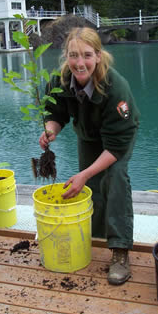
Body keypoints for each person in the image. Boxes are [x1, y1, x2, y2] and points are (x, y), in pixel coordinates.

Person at [39, 27, 140, 285]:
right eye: (73, 55)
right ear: (65, 56)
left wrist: (84, 174)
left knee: (114, 178)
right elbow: (56, 113)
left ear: (98, 55)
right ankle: (93, 237)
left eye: (86, 55)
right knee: (90, 186)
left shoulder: (116, 88)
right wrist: (51, 130)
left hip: (118, 137)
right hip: (88, 134)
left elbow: (116, 147)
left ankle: (119, 250)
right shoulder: (60, 80)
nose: (79, 63)